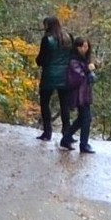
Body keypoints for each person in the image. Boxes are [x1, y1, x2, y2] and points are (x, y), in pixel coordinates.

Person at [35, 17, 75, 147]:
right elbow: (72, 56)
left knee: (45, 103)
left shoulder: (47, 39)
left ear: (48, 25)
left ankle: (47, 132)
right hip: (65, 75)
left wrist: (40, 62)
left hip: (49, 75)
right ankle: (66, 133)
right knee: (64, 105)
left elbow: (41, 58)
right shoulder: (68, 37)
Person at [65, 37, 97, 154]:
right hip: (78, 94)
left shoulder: (84, 59)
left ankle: (66, 138)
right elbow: (77, 77)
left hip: (85, 93)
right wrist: (88, 70)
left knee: (82, 119)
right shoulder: (73, 60)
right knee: (86, 118)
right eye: (83, 46)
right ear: (77, 47)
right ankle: (83, 144)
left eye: (87, 46)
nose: (86, 49)